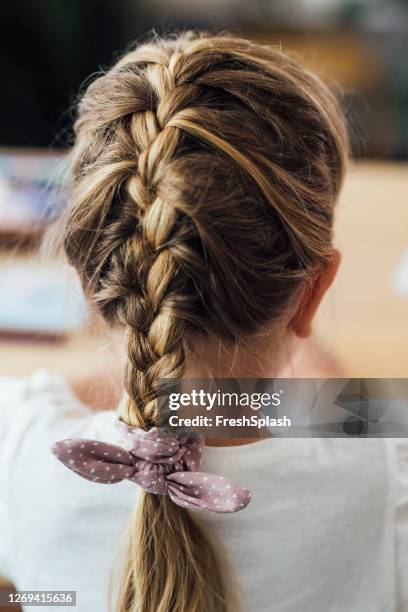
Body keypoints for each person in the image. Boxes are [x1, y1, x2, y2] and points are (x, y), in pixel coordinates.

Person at [1, 32, 407, 612]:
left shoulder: (20, 451)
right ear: (314, 289)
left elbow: (41, 598)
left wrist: (46, 599)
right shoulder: (387, 483)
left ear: (89, 282)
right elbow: (363, 415)